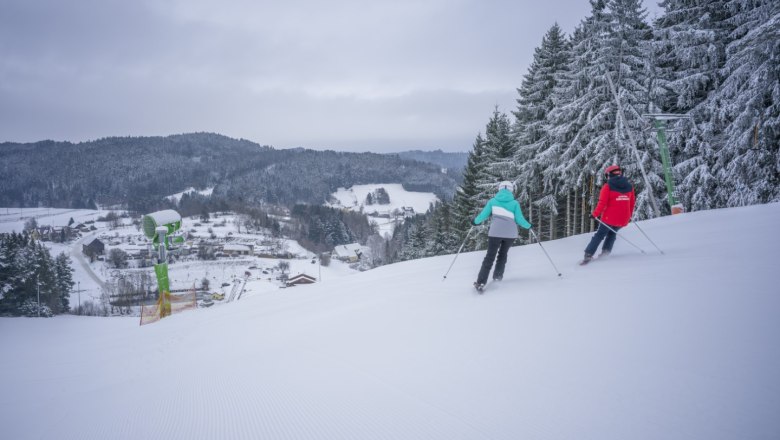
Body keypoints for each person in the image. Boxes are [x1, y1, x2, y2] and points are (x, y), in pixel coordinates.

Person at [472, 181, 532, 290]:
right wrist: (529, 226)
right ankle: (497, 277)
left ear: (499, 189)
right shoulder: (514, 203)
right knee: (502, 255)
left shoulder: (493, 201)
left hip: (495, 233)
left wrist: (475, 222)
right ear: (511, 190)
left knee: (490, 256)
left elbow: (483, 215)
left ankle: (481, 282)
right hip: (510, 234)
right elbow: (519, 219)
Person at [582, 165, 636, 264]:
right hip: (623, 218)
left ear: (609, 175)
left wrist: (594, 214)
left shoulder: (607, 187)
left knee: (600, 235)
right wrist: (629, 215)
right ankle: (605, 253)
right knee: (612, 233)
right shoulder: (629, 187)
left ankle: (588, 254)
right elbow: (632, 203)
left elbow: (602, 203)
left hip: (609, 218)